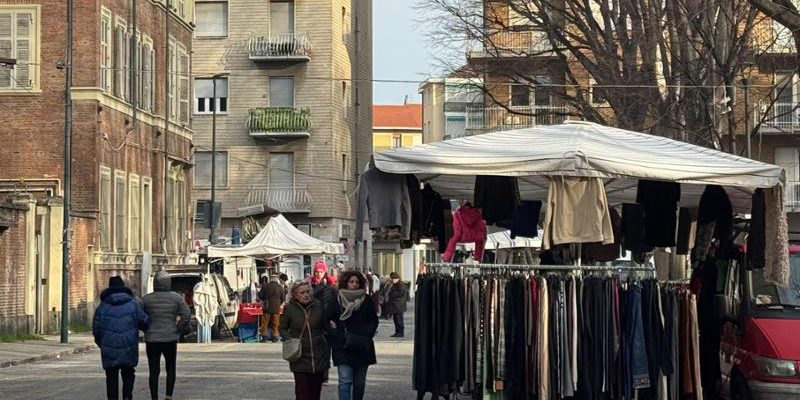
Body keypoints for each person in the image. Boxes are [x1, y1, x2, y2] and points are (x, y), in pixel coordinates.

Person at [93, 276, 149, 400]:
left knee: (111, 375)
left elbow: (96, 329)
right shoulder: (133, 305)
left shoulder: (102, 307)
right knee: (128, 373)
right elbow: (144, 322)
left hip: (109, 346)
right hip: (128, 345)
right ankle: (127, 397)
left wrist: (101, 343)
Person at [142, 270, 192, 400]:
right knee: (170, 368)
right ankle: (168, 396)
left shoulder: (146, 299)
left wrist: (145, 328)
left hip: (152, 339)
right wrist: (178, 329)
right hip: (170, 338)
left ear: (155, 283)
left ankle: (154, 397)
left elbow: (139, 317)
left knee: (153, 370)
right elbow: (186, 315)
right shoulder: (176, 298)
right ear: (168, 283)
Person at [331, 271, 379, 400]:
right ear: (345, 283)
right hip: (343, 346)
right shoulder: (336, 299)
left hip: (362, 346)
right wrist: (336, 333)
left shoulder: (366, 300)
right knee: (344, 380)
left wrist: (366, 334)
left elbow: (373, 320)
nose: (355, 284)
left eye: (357, 282)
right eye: (351, 282)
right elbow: (328, 320)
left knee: (359, 383)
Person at [280, 281, 332, 400]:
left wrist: (329, 332)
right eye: (302, 292)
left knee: (315, 393)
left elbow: (326, 325)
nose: (306, 295)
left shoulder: (318, 306)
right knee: (302, 393)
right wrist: (289, 340)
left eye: (308, 292)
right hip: (299, 356)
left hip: (318, 354)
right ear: (295, 295)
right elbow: (282, 328)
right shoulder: (289, 309)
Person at [262, 274, 286, 342]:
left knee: (265, 323)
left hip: (267, 308)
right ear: (277, 279)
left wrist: (265, 298)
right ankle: (275, 336)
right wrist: (279, 303)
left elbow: (260, 295)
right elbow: (283, 298)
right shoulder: (280, 287)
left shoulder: (265, 286)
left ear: (270, 279)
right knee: (275, 323)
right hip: (276, 308)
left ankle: (264, 337)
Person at [386, 272, 409, 338]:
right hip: (395, 305)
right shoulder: (395, 284)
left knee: (399, 320)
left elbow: (402, 293)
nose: (392, 280)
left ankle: (401, 333)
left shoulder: (401, 284)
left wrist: (392, 294)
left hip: (399, 305)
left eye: (393, 279)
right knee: (395, 319)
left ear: (397, 278)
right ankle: (397, 332)